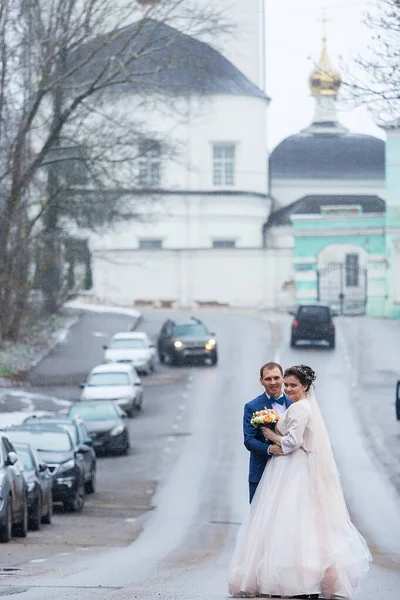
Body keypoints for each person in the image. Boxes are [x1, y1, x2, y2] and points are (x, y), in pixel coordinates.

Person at [228, 365, 372, 599]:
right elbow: (249, 440)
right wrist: (270, 446)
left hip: (293, 469)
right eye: (282, 383)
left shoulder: (298, 407)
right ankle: (277, 573)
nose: (284, 387)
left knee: (293, 522)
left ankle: (294, 576)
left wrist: (274, 436)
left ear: (304, 386)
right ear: (262, 381)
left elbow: (294, 441)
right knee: (276, 523)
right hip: (279, 468)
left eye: (289, 383)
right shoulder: (261, 406)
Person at [243, 362, 292, 503]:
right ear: (261, 381)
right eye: (268, 379)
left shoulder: (295, 404)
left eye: (276, 378)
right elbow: (249, 440)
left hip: (291, 472)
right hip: (262, 471)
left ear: (283, 378)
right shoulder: (252, 406)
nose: (273, 382)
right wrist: (270, 449)